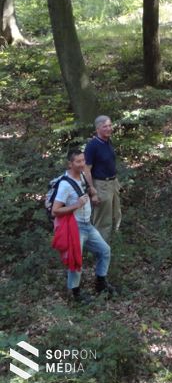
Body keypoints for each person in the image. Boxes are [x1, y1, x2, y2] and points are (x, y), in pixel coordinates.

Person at [52, 149, 114, 303]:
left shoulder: (82, 176)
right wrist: (76, 205)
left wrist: (93, 194)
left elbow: (88, 190)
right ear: (70, 164)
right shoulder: (64, 185)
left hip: (88, 225)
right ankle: (75, 294)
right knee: (76, 260)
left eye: (83, 160)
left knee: (105, 251)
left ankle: (100, 284)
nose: (82, 164)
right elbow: (55, 210)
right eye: (78, 161)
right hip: (75, 227)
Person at [84, 115, 121, 243]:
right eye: (105, 126)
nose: (109, 128)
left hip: (113, 183)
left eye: (110, 125)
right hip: (101, 185)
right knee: (103, 220)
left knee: (116, 214)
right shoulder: (92, 146)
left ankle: (114, 243)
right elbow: (86, 170)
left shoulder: (108, 142)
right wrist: (92, 191)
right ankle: (100, 248)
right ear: (98, 128)